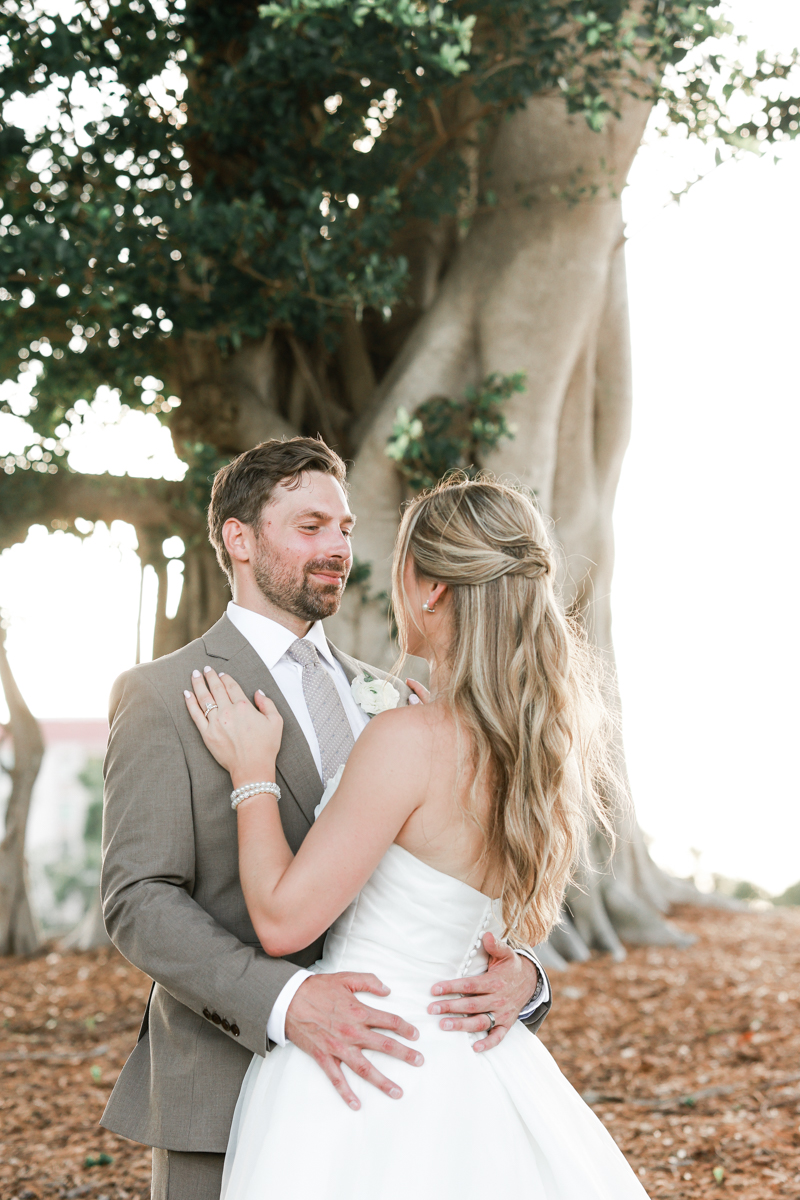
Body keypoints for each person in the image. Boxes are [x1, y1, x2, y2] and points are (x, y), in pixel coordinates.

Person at [100, 438, 550, 1200]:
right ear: (239, 539)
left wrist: (525, 978)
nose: (338, 548)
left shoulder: (398, 702)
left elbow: (454, 879)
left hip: (403, 1096)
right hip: (223, 1088)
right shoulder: (164, 694)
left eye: (344, 528)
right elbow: (138, 900)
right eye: (310, 527)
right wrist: (285, 1002)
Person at [184, 472, 651, 1200]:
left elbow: (280, 920)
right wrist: (527, 975)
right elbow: (487, 924)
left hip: (371, 1064)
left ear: (431, 588)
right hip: (478, 1067)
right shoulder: (530, 744)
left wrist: (252, 773)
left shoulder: (409, 737)